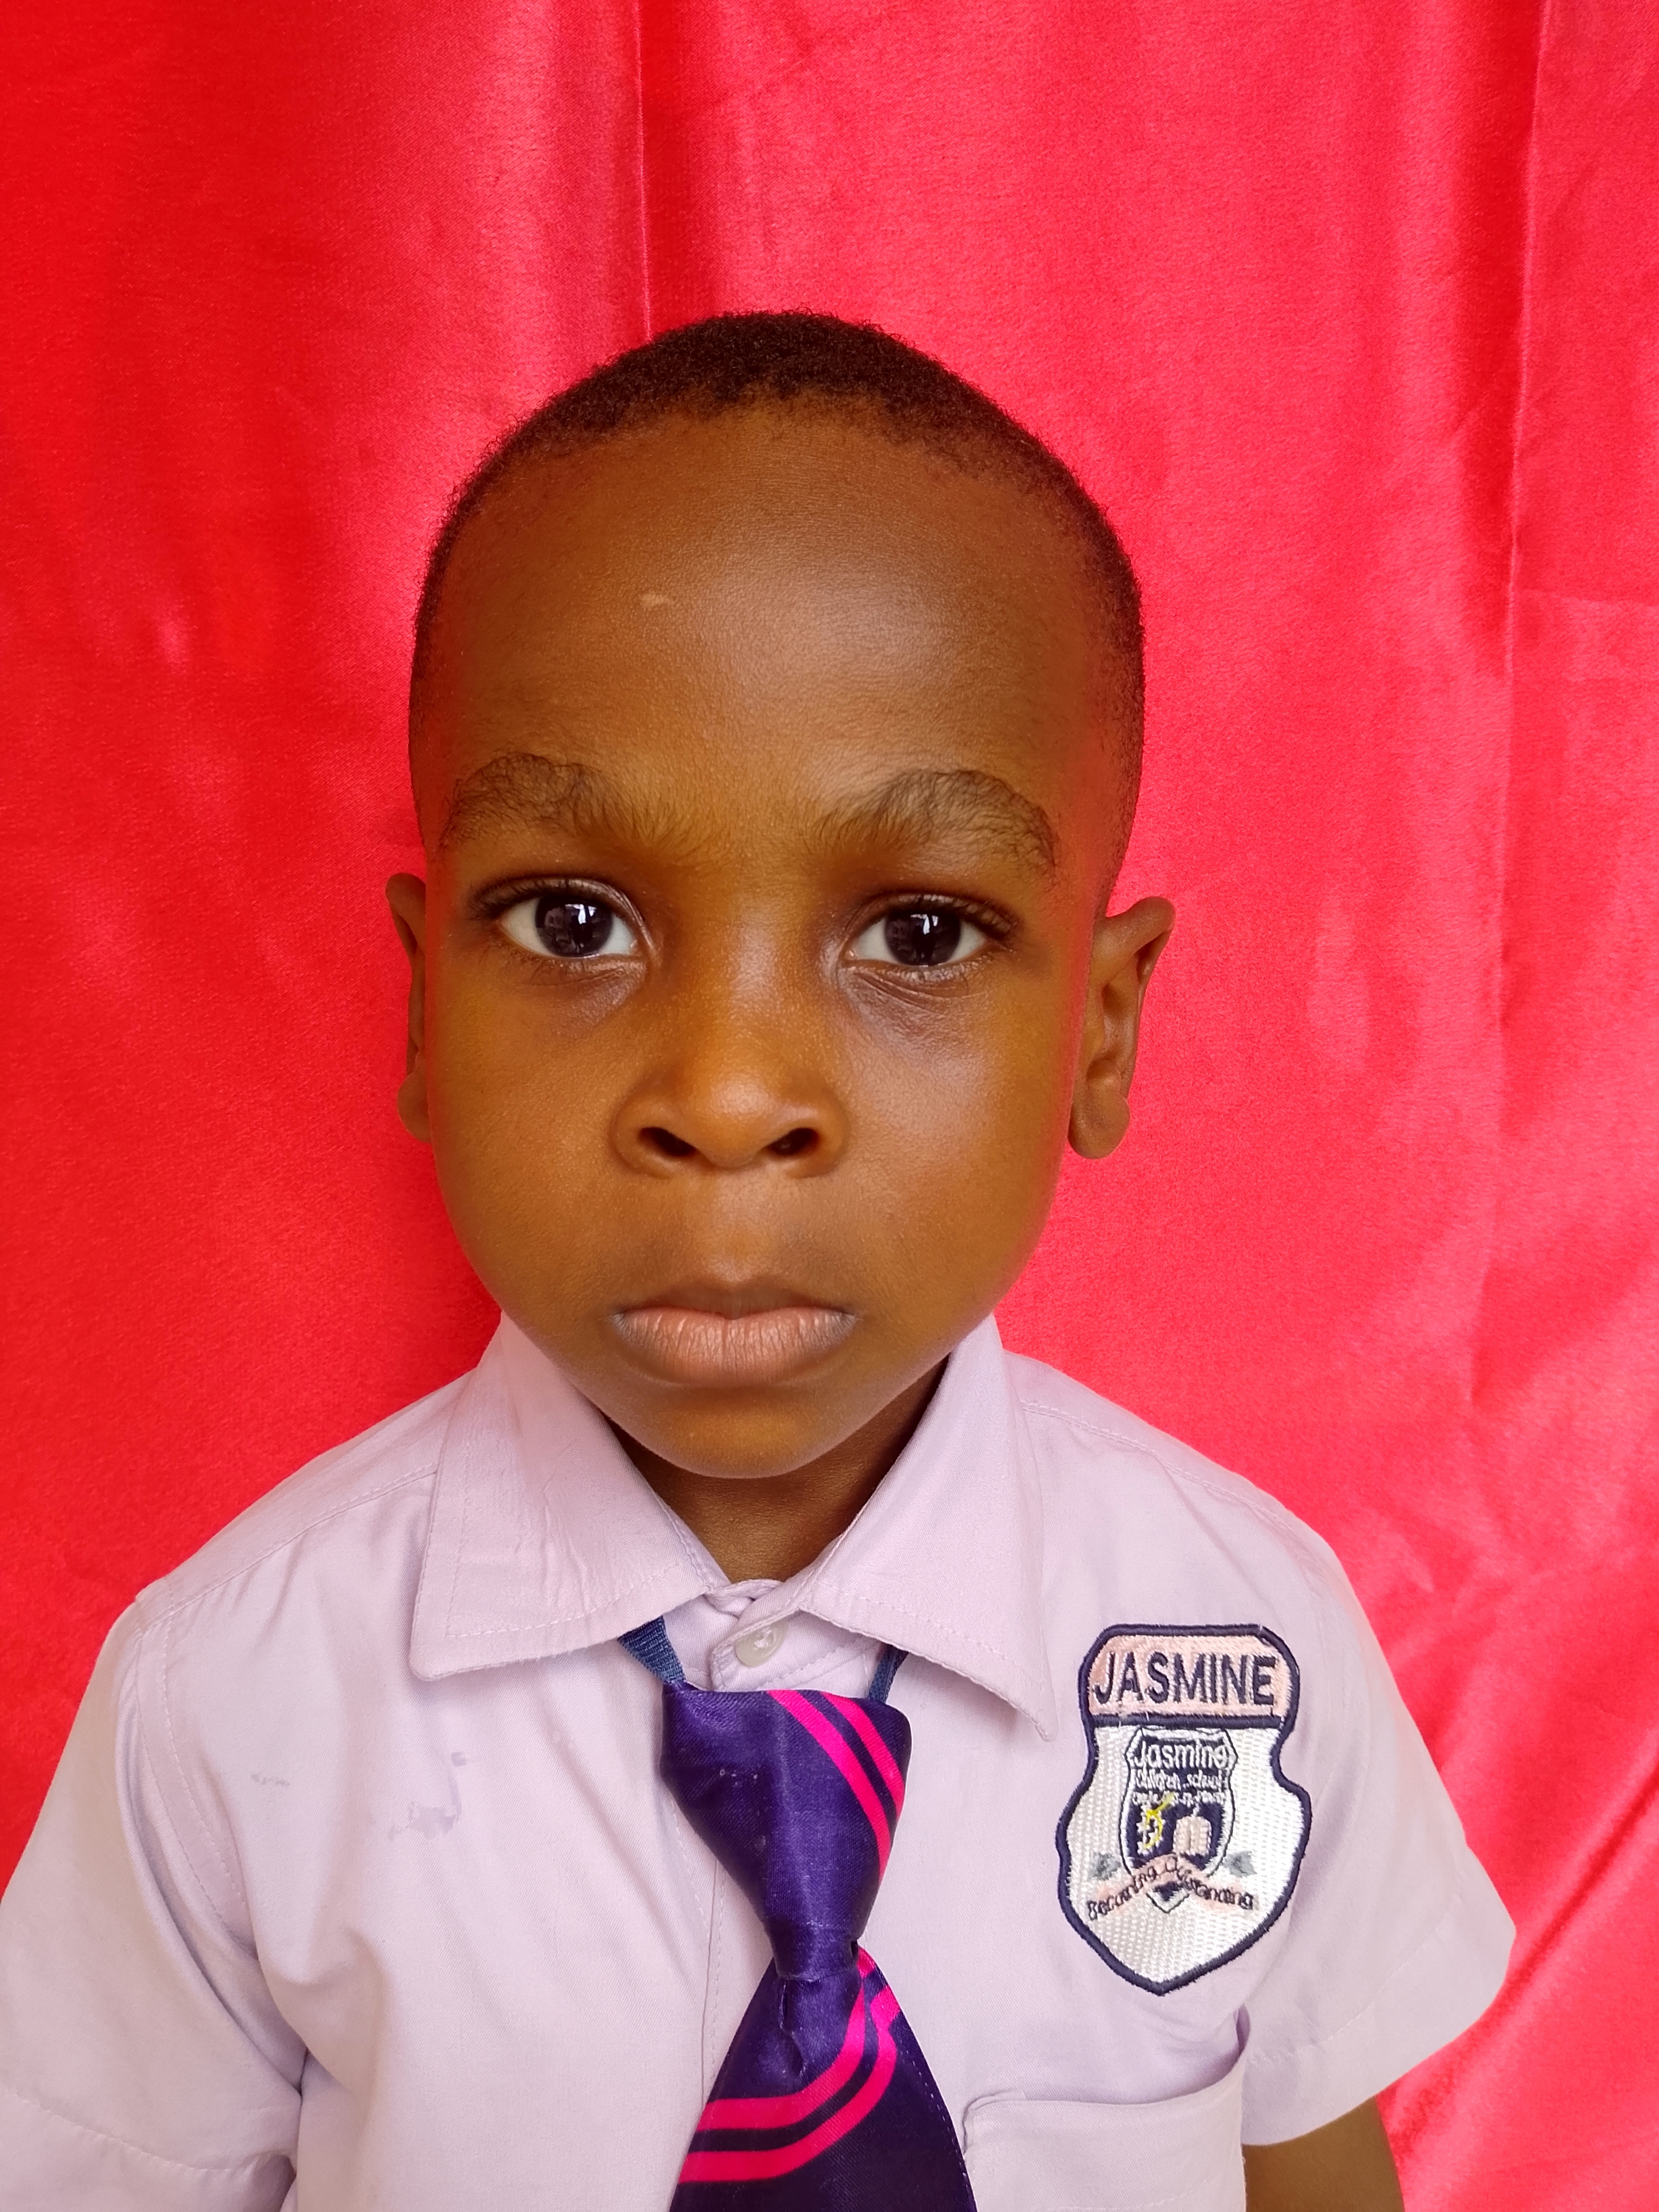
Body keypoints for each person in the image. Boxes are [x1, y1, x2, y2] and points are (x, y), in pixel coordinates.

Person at [0, 314, 1511, 2212]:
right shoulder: (231, 1701)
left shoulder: (1246, 1634)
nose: (724, 1095)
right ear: (421, 1013)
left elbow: (1309, 2154)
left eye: (922, 935)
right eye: (574, 921)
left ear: (1103, 1032)